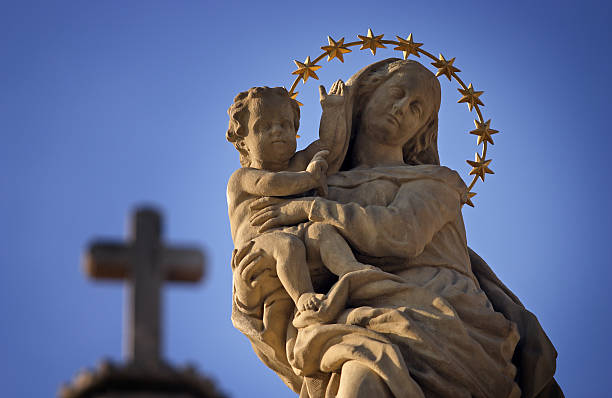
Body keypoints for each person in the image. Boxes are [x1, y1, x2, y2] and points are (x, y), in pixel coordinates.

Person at [232, 59, 562, 398]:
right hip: (348, 318)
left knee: (364, 376)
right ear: (366, 95)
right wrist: (249, 290)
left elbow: (400, 233)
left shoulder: (437, 182)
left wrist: (310, 208)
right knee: (360, 372)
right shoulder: (314, 183)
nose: (402, 108)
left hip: (437, 316)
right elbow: (283, 273)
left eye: (417, 108)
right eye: (397, 94)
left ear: (422, 129)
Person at [226, 83, 372, 321]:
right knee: (287, 247)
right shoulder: (241, 178)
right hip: (259, 246)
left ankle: (352, 271)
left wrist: (333, 111)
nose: (277, 131)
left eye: (285, 125)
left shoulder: (298, 162)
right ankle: (303, 296)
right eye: (264, 127)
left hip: (297, 232)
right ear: (243, 143)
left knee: (322, 232)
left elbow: (328, 147)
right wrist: (310, 178)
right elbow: (270, 184)